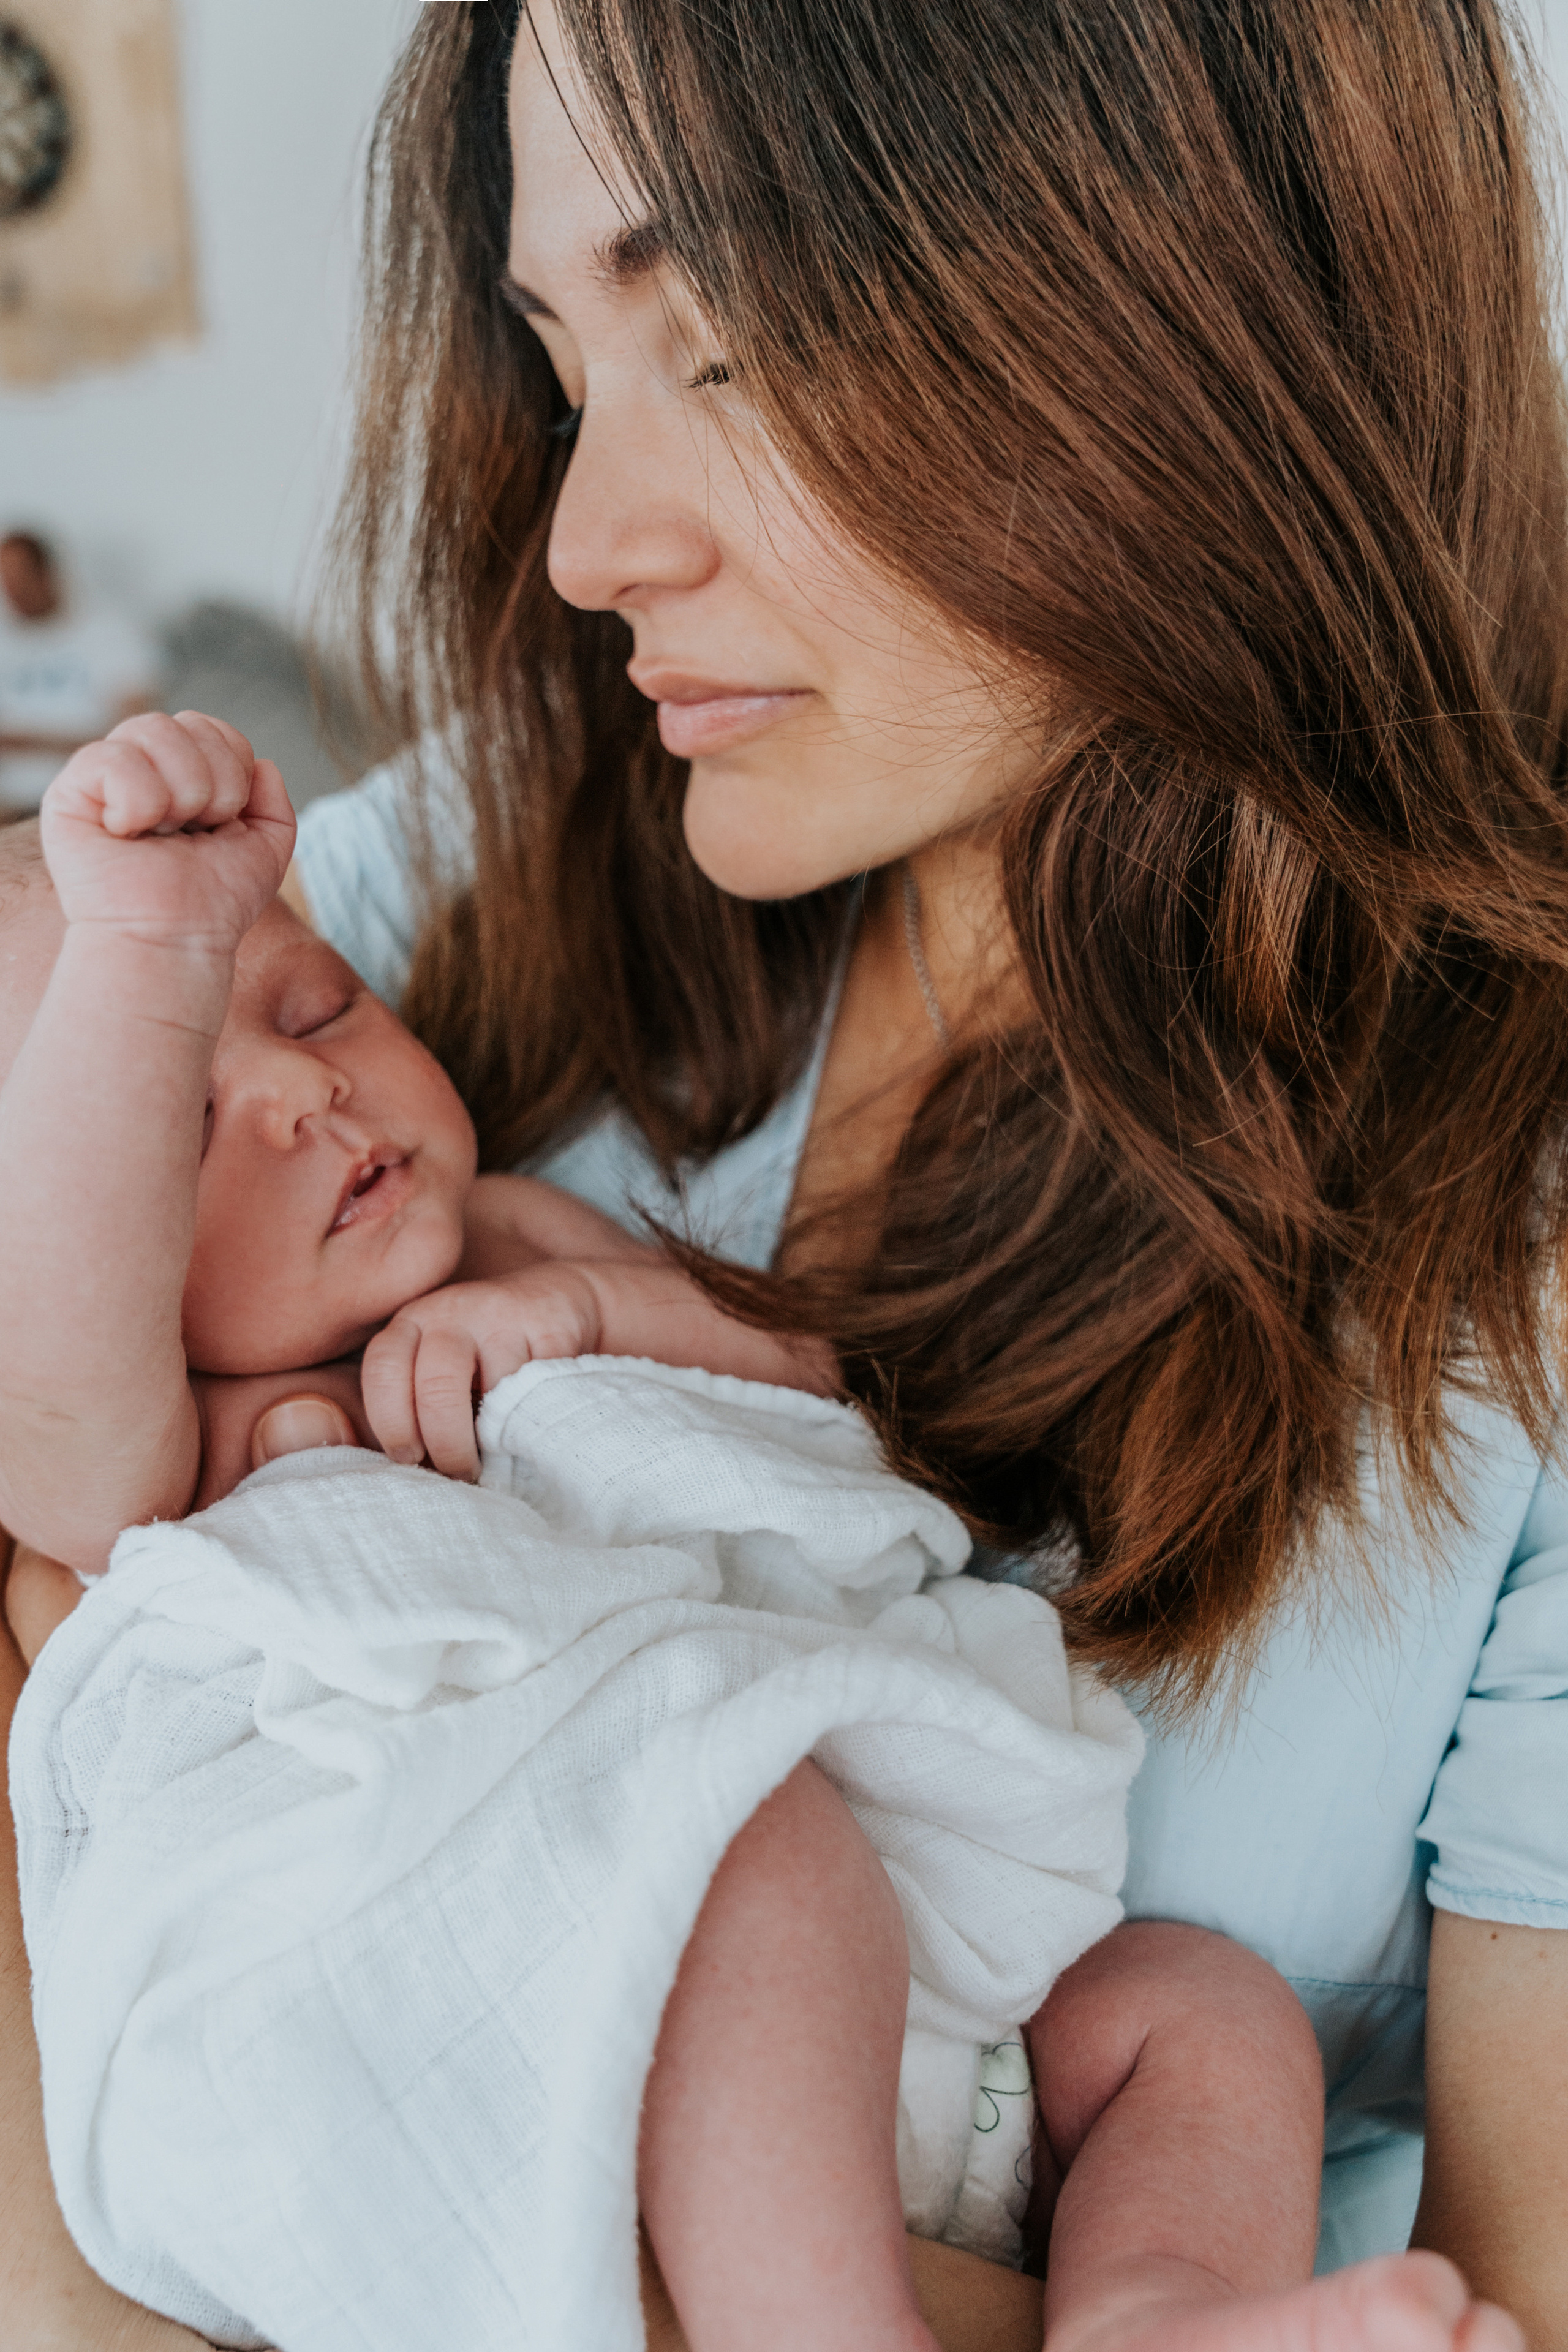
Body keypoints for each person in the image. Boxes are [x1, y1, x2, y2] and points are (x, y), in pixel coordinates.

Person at [2, 0, 1566, 2341]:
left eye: (721, 351)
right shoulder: (424, 894)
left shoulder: (1509, 1256)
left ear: (1183, 301)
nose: (581, 544)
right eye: (563, 370)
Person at [1, 721, 1503, 2352]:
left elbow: (820, 1388)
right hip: (581, 1983)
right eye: (185, 1115)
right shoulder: (143, 1441)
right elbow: (59, 1371)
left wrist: (587, 1309)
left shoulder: (511, 1240)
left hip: (914, 2009)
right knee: (752, 1835)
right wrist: (146, 950)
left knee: (1203, 2010)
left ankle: (1157, 2307)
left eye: (319, 1007)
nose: (309, 1090)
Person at [0, 533, 158, 816]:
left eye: (21, 582)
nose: (14, 595)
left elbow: (136, 738)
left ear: (48, 573)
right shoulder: (6, 640)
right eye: (6, 584)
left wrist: (27, 742)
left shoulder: (110, 633)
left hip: (89, 801)